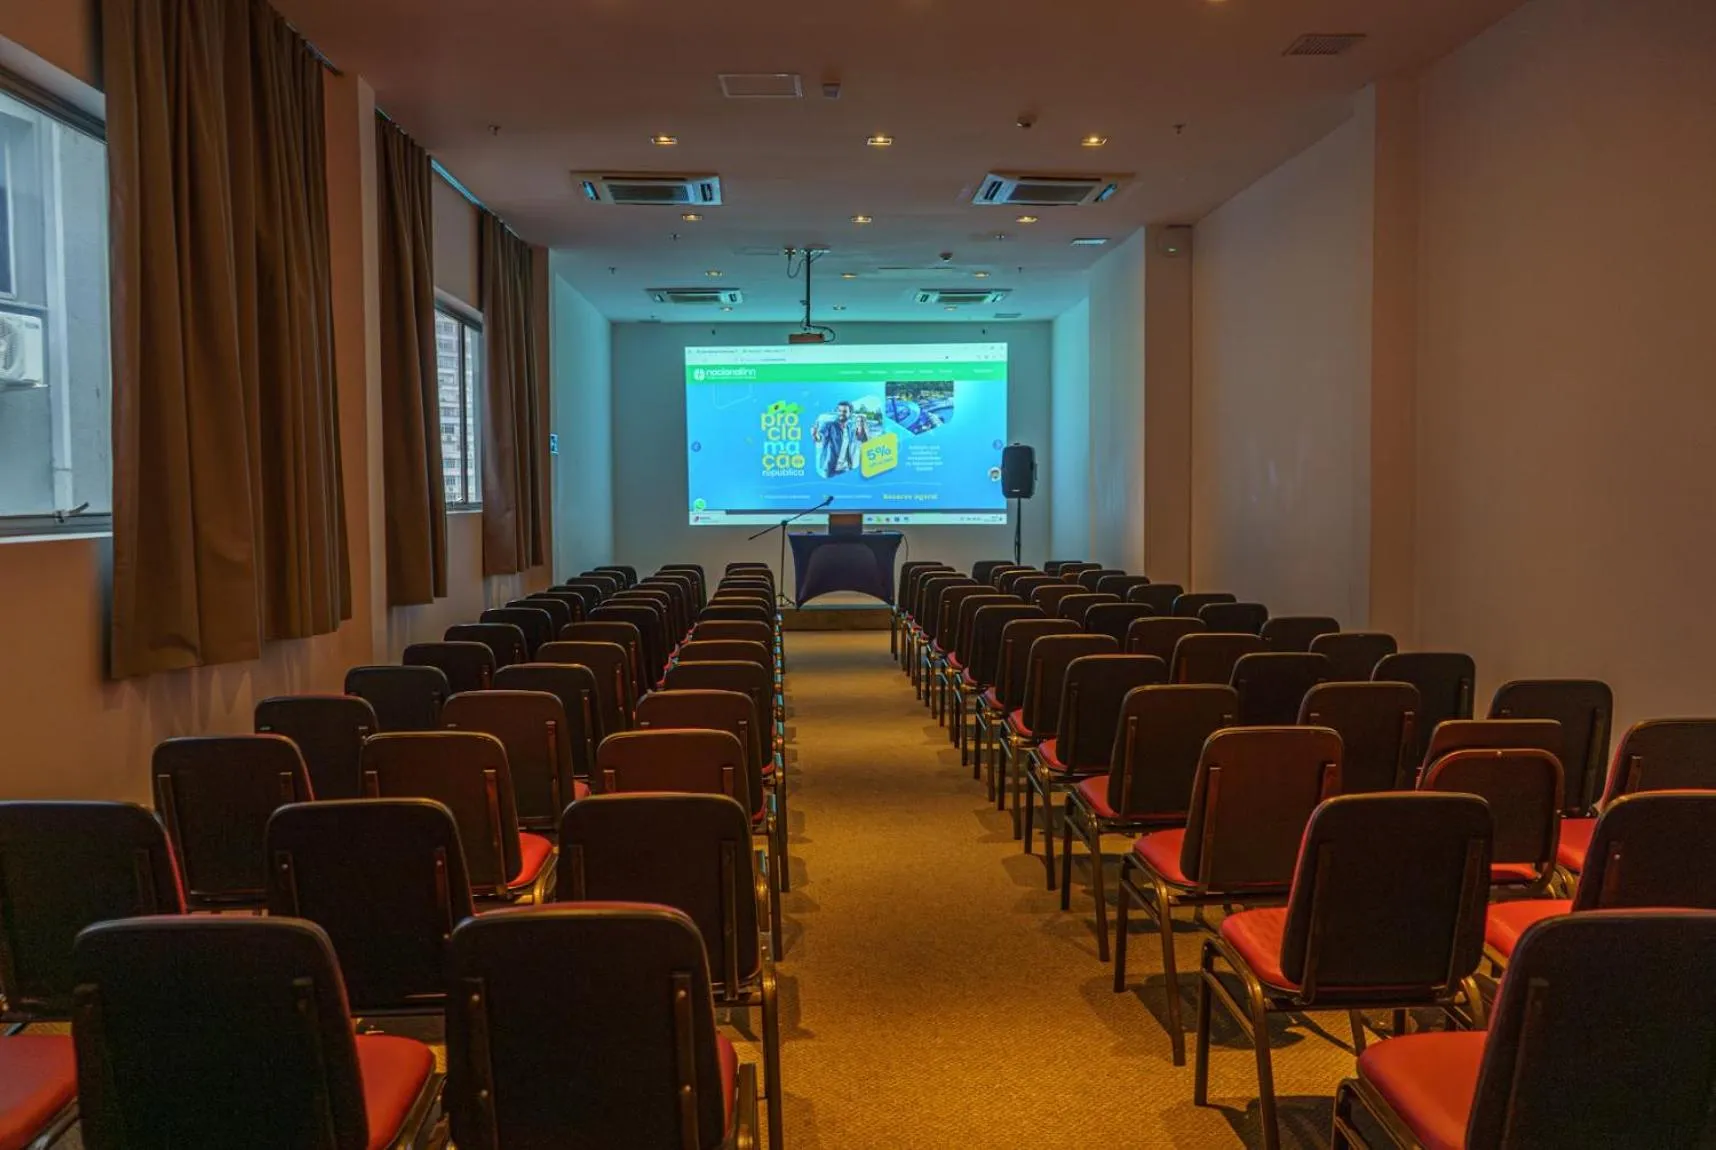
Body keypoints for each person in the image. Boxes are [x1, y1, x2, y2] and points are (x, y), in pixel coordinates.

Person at [811, 400, 870, 478]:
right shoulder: (829, 426)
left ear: (850, 413)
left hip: (846, 469)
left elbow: (861, 440)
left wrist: (861, 426)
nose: (841, 413)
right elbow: (820, 437)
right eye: (839, 411)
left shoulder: (849, 428)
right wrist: (815, 435)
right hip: (831, 469)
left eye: (844, 411)